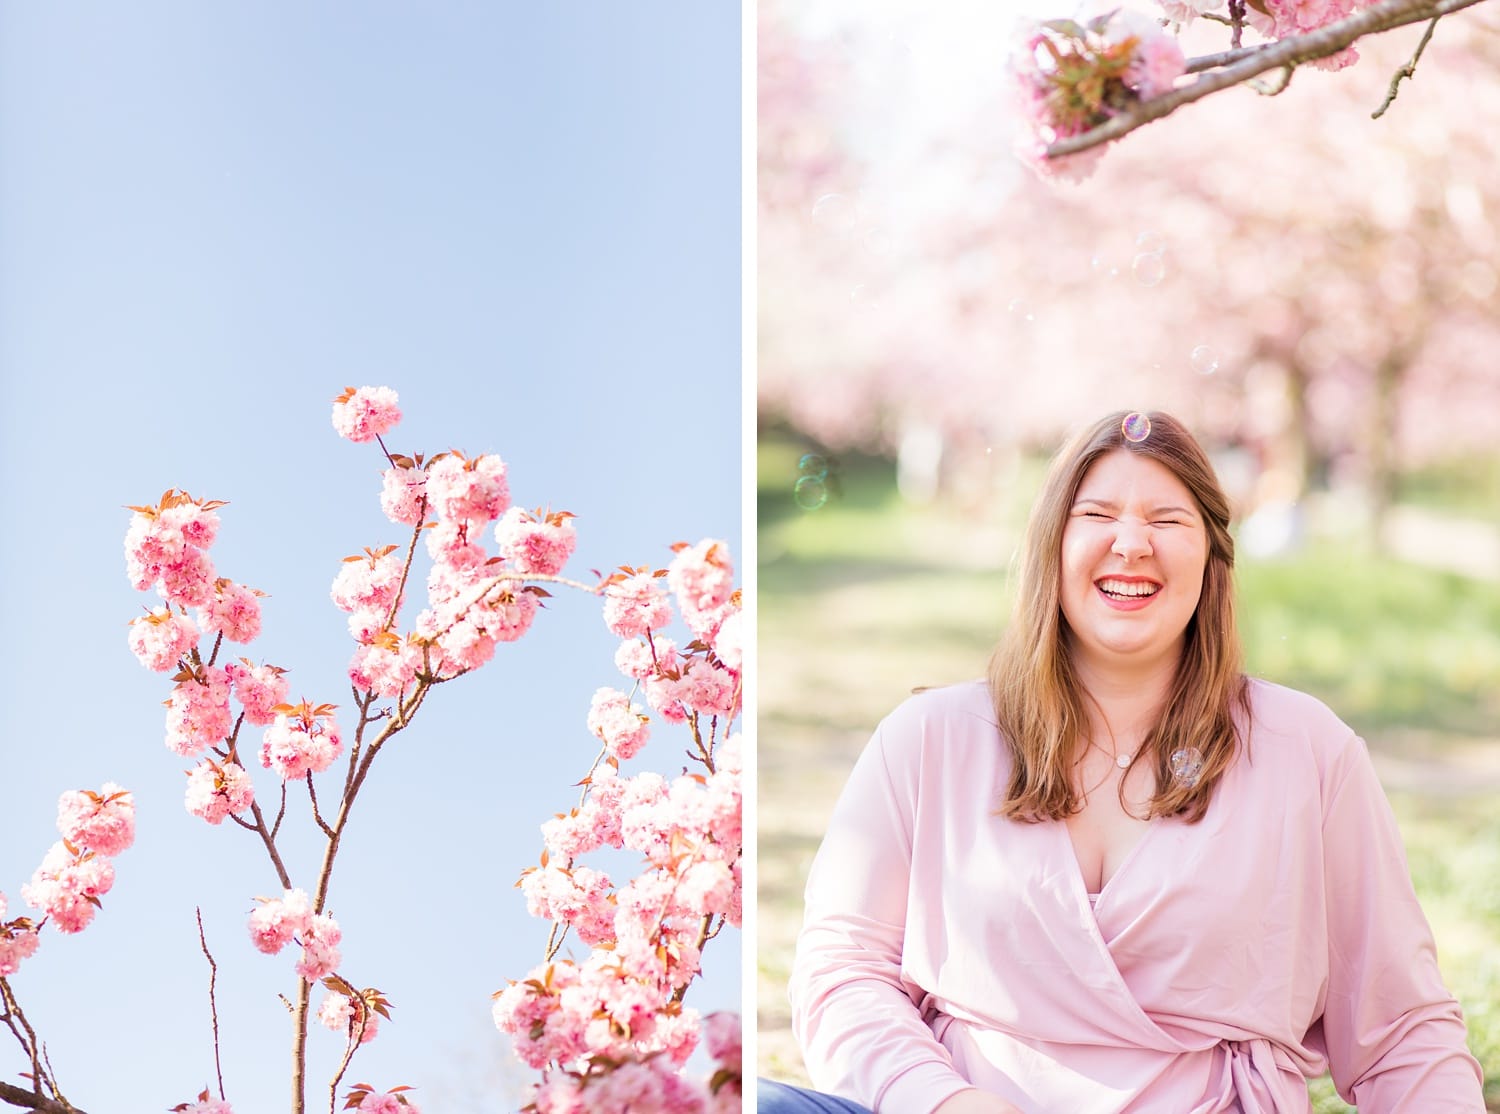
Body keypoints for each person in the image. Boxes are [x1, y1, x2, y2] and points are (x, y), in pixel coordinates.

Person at [759, 411, 1484, 1113]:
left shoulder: (1308, 753)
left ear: (1212, 555)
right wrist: (944, 1101)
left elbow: (1401, 1032)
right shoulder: (928, 739)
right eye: (1097, 515)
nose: (1131, 544)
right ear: (1052, 546)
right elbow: (842, 972)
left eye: (1167, 521)